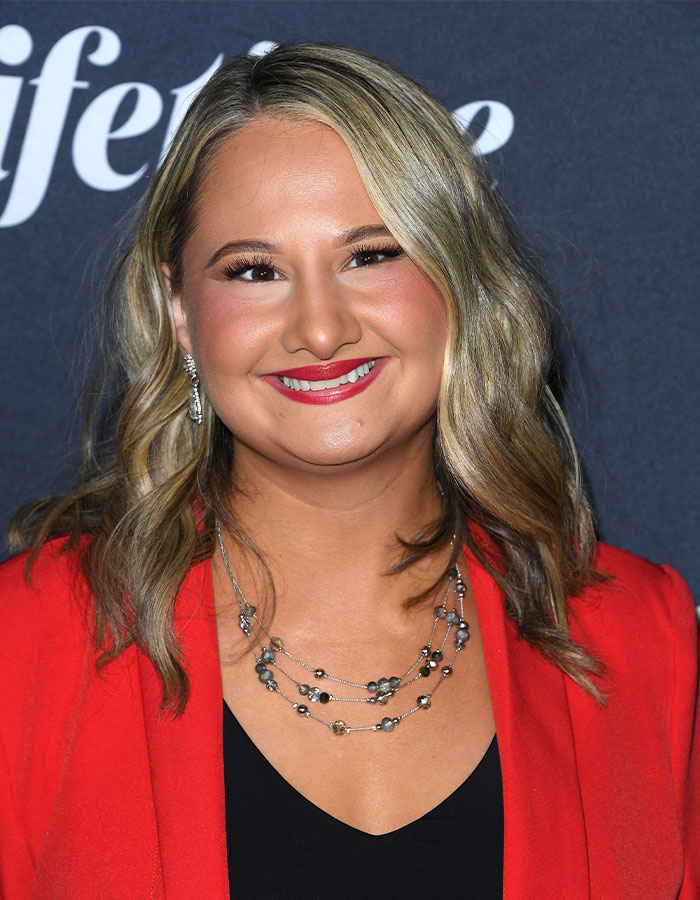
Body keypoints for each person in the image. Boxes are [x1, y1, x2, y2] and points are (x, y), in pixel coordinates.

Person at [1, 42, 697, 900]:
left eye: (370, 254)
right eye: (254, 271)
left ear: (461, 282)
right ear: (182, 314)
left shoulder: (643, 639)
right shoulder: (27, 643)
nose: (320, 329)